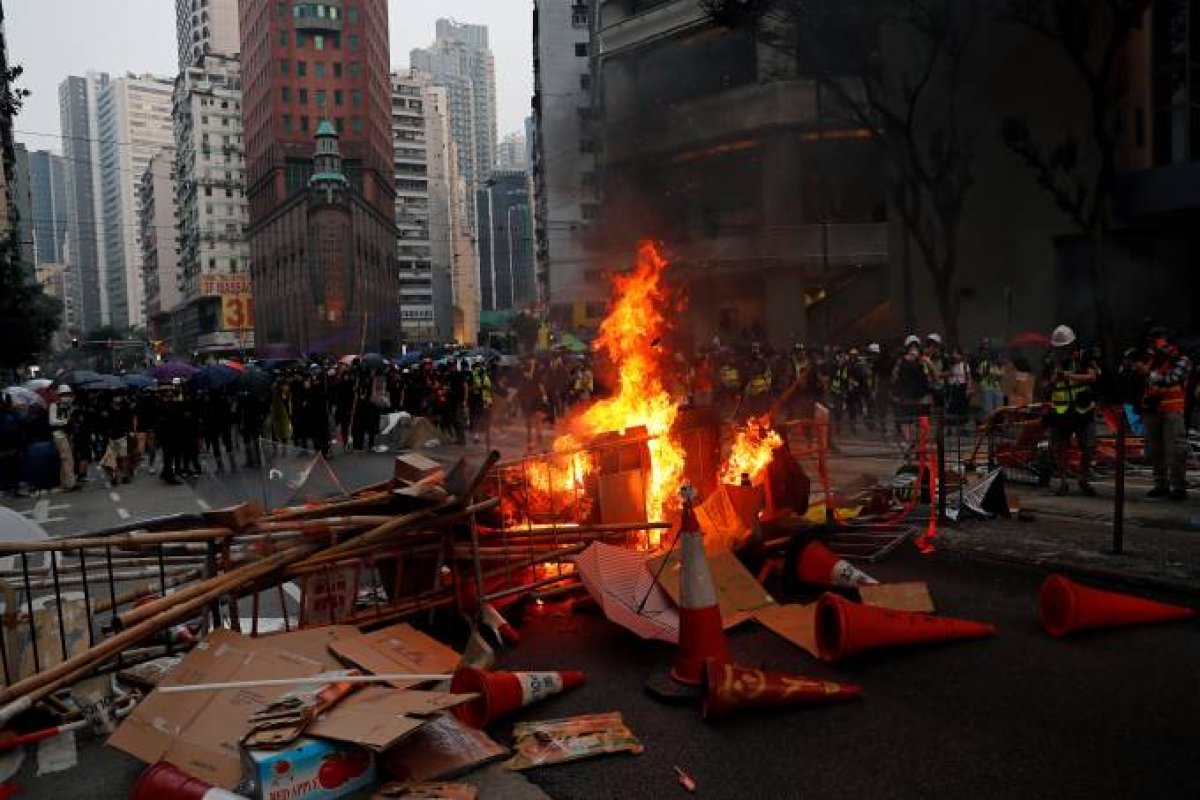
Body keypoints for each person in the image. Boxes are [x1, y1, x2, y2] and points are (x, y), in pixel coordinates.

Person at [1041, 324, 1099, 497]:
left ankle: (1084, 479)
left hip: (1082, 410)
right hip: (1060, 412)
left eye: (1065, 347)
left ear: (1072, 344)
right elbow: (1042, 388)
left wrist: (1069, 376)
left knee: (1089, 446)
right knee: (1059, 448)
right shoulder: (1049, 362)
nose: (1062, 350)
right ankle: (1063, 482)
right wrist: (1051, 382)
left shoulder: (1082, 357)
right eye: (1058, 347)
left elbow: (1092, 376)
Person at [1137, 332, 1191, 501]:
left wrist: (1148, 373)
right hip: (1152, 411)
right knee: (1155, 451)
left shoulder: (1182, 361)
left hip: (1172, 410)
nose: (1157, 349)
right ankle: (1160, 484)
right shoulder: (1151, 360)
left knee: (1174, 450)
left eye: (1161, 345)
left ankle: (1178, 487)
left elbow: (1170, 379)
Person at [891, 335, 936, 454]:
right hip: (906, 396)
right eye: (912, 346)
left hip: (918, 396)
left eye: (915, 346)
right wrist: (896, 394)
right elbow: (895, 378)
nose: (913, 349)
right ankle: (909, 443)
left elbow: (928, 378)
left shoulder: (922, 361)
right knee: (906, 421)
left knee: (919, 422)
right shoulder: (901, 361)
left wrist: (928, 393)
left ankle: (919, 445)